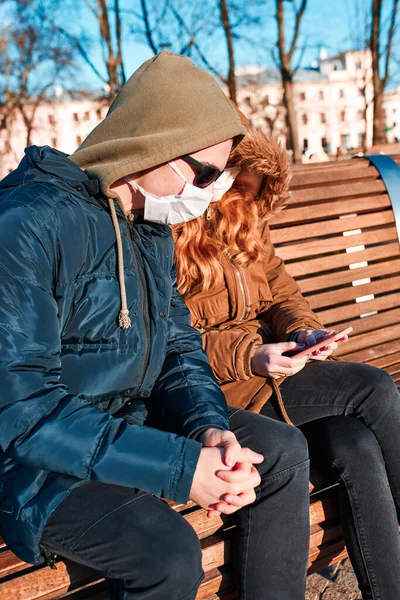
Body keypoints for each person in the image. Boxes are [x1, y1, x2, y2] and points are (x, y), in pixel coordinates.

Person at [0, 52, 311, 600]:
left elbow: (179, 350)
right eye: (207, 174)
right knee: (167, 552)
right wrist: (181, 466)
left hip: (124, 423)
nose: (214, 192)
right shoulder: (28, 225)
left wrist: (207, 430)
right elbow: (22, 412)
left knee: (277, 452)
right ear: (156, 146)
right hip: (32, 458)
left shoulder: (149, 227)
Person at [174, 116, 400, 600]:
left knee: (354, 442)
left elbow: (281, 295)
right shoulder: (174, 234)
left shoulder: (248, 226)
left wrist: (303, 332)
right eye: (239, 185)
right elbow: (173, 343)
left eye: (255, 191)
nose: (246, 201)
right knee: (374, 388)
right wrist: (250, 356)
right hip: (227, 383)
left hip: (275, 369)